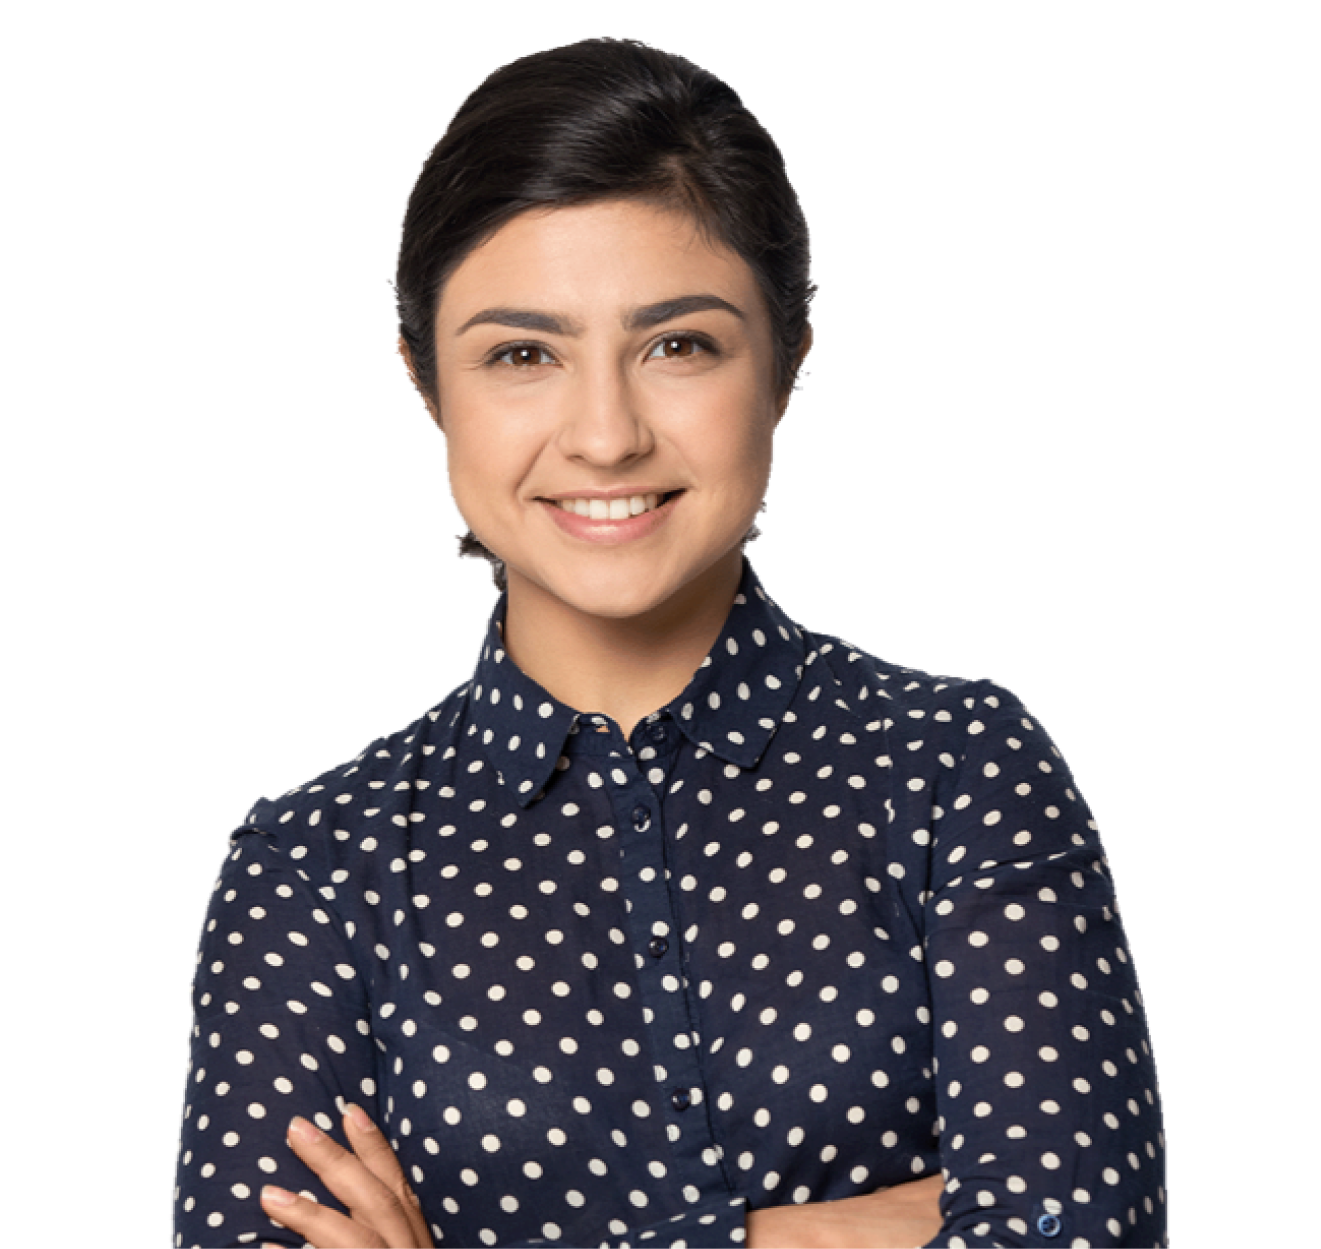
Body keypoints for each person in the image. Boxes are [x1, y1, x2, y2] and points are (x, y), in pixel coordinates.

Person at [170, 37, 1168, 1249]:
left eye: (677, 345)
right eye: (522, 354)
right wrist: (809, 1232)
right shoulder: (312, 866)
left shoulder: (956, 768)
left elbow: (1080, 1230)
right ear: (424, 382)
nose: (603, 435)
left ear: (789, 360)